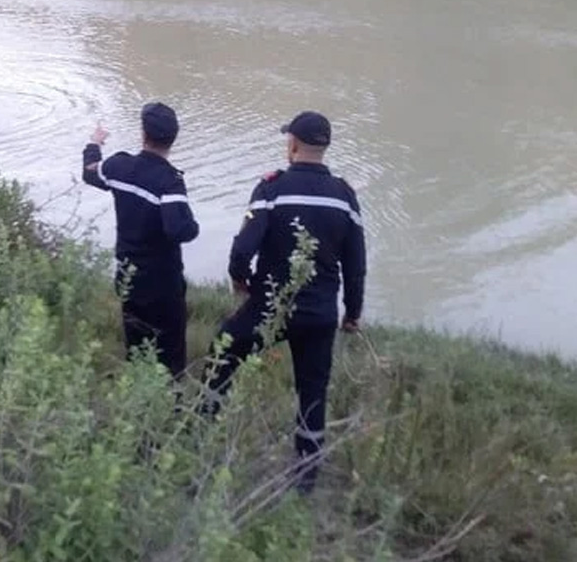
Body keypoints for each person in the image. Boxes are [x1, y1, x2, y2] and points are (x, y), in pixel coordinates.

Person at [200, 111, 366, 495]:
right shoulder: (345, 196)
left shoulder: (271, 188)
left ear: (292, 144)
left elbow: (242, 248)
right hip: (321, 313)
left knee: (223, 352)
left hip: (270, 308)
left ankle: (201, 432)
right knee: (313, 391)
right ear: (324, 148)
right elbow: (356, 266)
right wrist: (352, 314)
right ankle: (306, 479)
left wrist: (240, 282)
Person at [82, 102, 200, 379]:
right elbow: (179, 230)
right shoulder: (170, 182)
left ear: (143, 134)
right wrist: (193, 226)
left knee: (136, 342)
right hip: (163, 282)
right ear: (173, 138)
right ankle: (172, 409)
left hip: (128, 273)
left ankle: (137, 399)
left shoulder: (119, 166)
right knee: (170, 351)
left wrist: (94, 142)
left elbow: (89, 172)